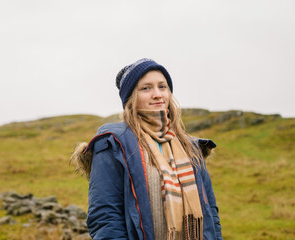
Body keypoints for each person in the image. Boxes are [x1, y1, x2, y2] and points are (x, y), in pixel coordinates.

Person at [71, 58, 223, 240]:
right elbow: (106, 218)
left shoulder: (190, 146)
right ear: (131, 97)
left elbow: (211, 214)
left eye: (162, 87)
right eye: (146, 88)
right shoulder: (113, 143)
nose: (158, 94)